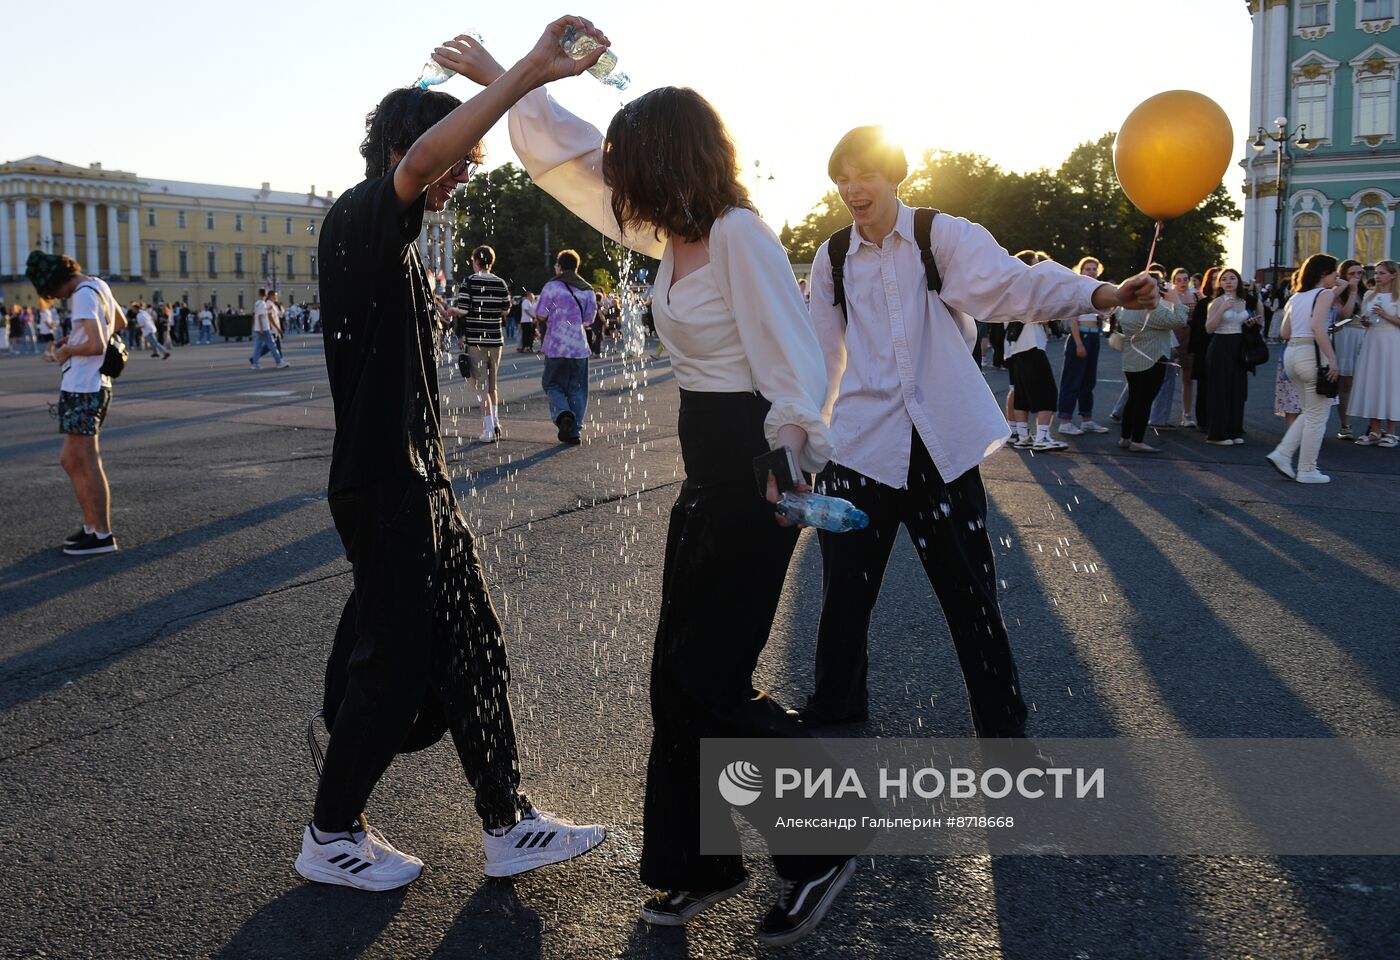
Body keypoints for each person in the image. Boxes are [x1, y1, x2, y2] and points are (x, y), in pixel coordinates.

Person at [441, 28, 854, 944]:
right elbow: (578, 155)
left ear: (671, 161)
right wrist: (505, 81)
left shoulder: (740, 234)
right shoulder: (673, 234)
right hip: (706, 476)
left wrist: (786, 476)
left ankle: (824, 838)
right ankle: (697, 864)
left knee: (708, 678)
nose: (616, 178)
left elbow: (795, 368)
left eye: (634, 162)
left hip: (758, 474)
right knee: (677, 680)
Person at [299, 18, 608, 894]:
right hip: (384, 485)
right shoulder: (361, 218)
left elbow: (434, 154)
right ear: (409, 152)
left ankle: (508, 822)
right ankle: (329, 833)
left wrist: (507, 76)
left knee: (474, 643)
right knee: (392, 671)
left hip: (415, 480)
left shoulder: (390, 242)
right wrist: (521, 78)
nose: (465, 173)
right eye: (457, 160)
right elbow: (426, 157)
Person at [797, 125, 1156, 735]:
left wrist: (1104, 293)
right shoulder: (833, 259)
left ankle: (1005, 736)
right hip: (859, 449)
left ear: (895, 177)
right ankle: (834, 716)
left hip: (941, 447)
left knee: (972, 601)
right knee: (842, 603)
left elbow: (1012, 285)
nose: (853, 191)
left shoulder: (941, 237)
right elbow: (820, 357)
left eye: (866, 177)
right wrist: (804, 439)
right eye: (842, 180)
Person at [24, 251, 126, 555]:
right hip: (93, 384)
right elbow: (118, 322)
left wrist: (67, 351)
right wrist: (78, 334)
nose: (54, 297)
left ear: (57, 281)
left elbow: (95, 345)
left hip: (84, 386)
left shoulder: (81, 294)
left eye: (52, 291)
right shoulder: (97, 285)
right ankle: (92, 526)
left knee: (87, 460)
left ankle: (101, 535)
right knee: (71, 460)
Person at [1268, 254, 1340, 482]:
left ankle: (1283, 453)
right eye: (1334, 272)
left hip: (1292, 354)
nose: (1336, 275)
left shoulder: (1296, 297)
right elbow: (1317, 327)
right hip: (1312, 354)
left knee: (1310, 411)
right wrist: (1333, 359)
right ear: (1323, 274)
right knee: (1318, 416)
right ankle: (1307, 469)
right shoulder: (1325, 294)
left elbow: (1285, 333)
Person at [1005, 250, 1069, 452]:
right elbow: (1040, 314)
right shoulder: (1028, 288)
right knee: (1047, 393)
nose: (1038, 265)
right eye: (1035, 262)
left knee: (1021, 394)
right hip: (1031, 346)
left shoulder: (1010, 286)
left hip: (1016, 349)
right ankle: (1042, 437)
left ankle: (1024, 436)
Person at [1116, 273, 1187, 453]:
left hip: (1131, 360)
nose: (1159, 288)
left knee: (1133, 398)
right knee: (1144, 401)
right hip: (1152, 359)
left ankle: (1125, 437)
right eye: (1156, 285)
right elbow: (1179, 321)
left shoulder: (1125, 308)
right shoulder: (1152, 309)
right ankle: (1137, 441)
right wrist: (1176, 300)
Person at [533, 249, 595, 445]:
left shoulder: (552, 287)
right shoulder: (587, 289)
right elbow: (588, 319)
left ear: (559, 267)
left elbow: (540, 314)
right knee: (577, 389)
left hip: (556, 346)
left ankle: (563, 413)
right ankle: (574, 431)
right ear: (576, 267)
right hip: (578, 347)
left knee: (551, 384)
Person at [450, 244, 511, 441]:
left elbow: (464, 310)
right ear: (490, 262)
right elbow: (505, 310)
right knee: (492, 386)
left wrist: (452, 311)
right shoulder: (500, 282)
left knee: (481, 387)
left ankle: (489, 430)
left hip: (477, 339)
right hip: (496, 339)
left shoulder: (469, 281)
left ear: (476, 261)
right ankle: (496, 422)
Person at [1055, 256, 1111, 436]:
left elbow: (1103, 315)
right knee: (1073, 380)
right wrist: (1079, 343)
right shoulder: (1077, 289)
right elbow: (1073, 319)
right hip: (1080, 336)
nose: (1092, 271)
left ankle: (1087, 420)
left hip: (1093, 336)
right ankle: (1065, 421)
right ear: (1081, 271)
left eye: (1094, 268)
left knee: (1088, 381)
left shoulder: (1097, 290)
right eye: (1088, 268)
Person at [1349, 260, 1400, 448]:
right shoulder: (1370, 295)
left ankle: (1392, 432)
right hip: (1373, 340)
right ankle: (1375, 430)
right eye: (1376, 273)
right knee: (1374, 381)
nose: (1377, 277)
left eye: (1382, 273)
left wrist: (1385, 314)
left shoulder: (1398, 296)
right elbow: (1368, 319)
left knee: (1391, 382)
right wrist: (1365, 321)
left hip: (1392, 342)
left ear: (1393, 275)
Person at [1203, 268, 1257, 446]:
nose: (1228, 281)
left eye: (1232, 278)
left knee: (1237, 390)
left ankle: (1234, 430)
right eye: (1224, 279)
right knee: (1220, 390)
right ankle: (1217, 434)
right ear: (1219, 283)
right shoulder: (1216, 302)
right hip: (1220, 345)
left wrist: (1252, 323)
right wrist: (1221, 309)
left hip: (1238, 347)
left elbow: (1252, 322)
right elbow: (1209, 328)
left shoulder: (1244, 301)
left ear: (1238, 281)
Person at [1331, 259, 1368, 439]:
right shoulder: (1338, 292)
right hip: (1344, 336)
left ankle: (1373, 425)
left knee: (1365, 382)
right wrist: (1351, 292)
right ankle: (1346, 425)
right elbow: (1344, 314)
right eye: (1352, 274)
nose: (1356, 277)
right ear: (1344, 275)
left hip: (1364, 336)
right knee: (1345, 383)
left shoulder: (1367, 292)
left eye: (1359, 273)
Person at [1187, 266, 1220, 431]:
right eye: (1214, 278)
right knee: (1204, 386)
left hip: (1225, 349)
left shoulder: (1233, 301)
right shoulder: (1202, 304)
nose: (1218, 281)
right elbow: (1198, 329)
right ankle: (1203, 420)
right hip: (1205, 349)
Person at [250, 288, 288, 369]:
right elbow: (260, 316)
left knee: (258, 347)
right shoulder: (263, 304)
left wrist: (256, 327)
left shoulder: (257, 303)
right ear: (266, 295)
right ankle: (279, 362)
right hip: (264, 328)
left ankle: (255, 363)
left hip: (260, 328)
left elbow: (257, 314)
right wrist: (261, 328)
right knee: (272, 346)